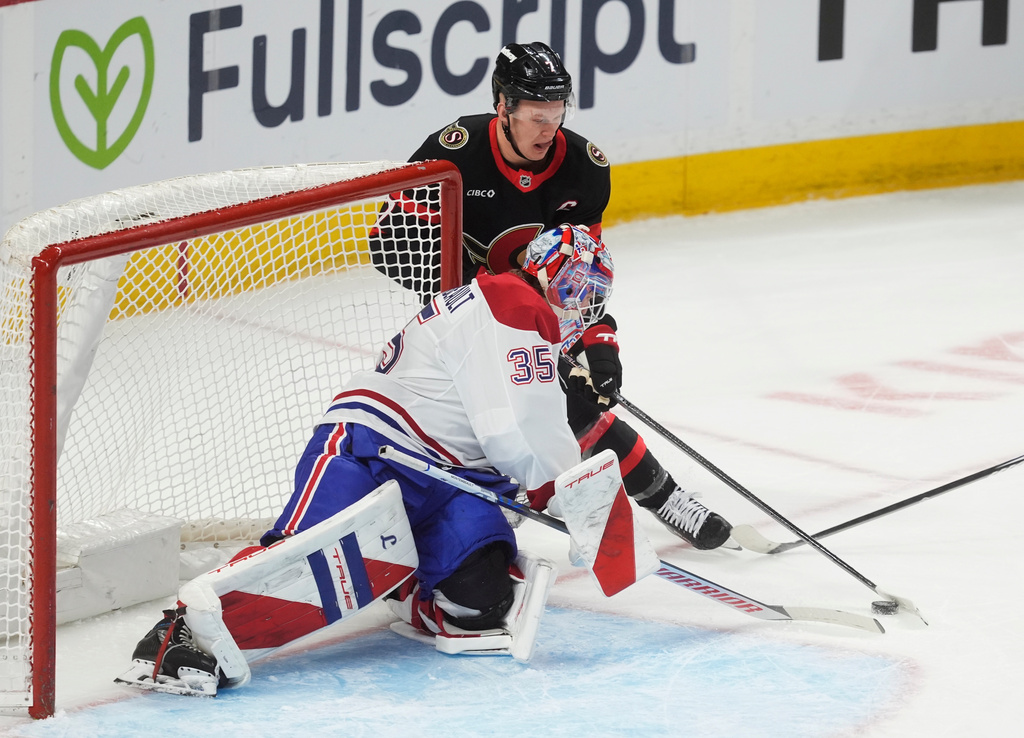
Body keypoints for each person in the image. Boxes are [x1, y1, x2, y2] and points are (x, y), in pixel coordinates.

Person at [119, 224, 612, 694]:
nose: (580, 304)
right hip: (375, 446)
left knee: (480, 603)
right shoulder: (513, 302)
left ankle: (402, 584)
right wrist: (565, 490)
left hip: (452, 476)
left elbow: (512, 420)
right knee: (299, 559)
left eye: (592, 295)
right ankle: (174, 636)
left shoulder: (510, 307)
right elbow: (518, 428)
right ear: (543, 267)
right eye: (574, 285)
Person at [370, 41, 732, 551]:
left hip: (533, 315)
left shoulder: (583, 167)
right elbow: (390, 249)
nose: (549, 128)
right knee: (507, 420)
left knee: (577, 400)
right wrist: (485, 294)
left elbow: (578, 277)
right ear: (503, 107)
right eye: (537, 116)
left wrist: (599, 347)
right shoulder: (453, 152)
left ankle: (664, 498)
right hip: (462, 322)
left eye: (557, 114)